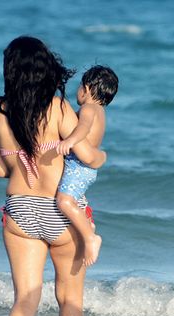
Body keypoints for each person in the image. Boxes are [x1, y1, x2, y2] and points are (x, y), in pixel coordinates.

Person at [0, 36, 106, 316]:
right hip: (60, 211)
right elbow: (87, 156)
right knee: (70, 300)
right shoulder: (58, 107)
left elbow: (0, 169)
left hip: (20, 210)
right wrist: (102, 155)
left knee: (24, 301)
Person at [55, 65, 118, 266]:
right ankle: (87, 223)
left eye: (79, 86)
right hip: (84, 169)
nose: (77, 91)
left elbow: (82, 127)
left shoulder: (88, 109)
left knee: (64, 202)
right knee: (72, 200)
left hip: (78, 167)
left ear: (87, 88)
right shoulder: (100, 111)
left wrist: (70, 141)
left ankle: (91, 237)